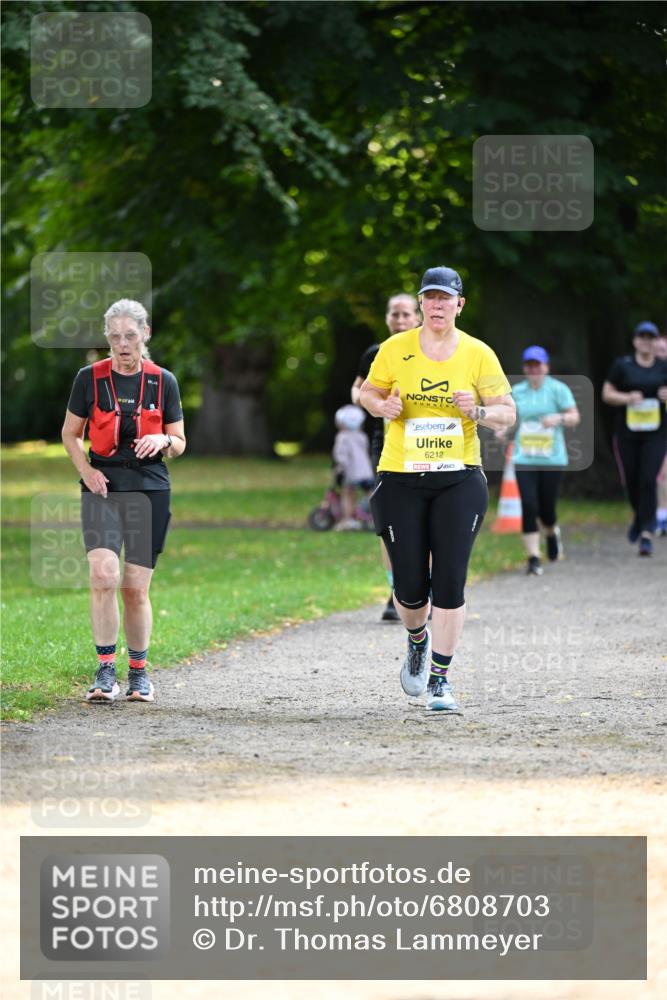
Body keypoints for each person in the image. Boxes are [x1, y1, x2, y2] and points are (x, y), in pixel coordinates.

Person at [359, 266, 515, 712]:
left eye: (446, 298)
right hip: (401, 478)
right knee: (409, 587)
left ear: (459, 305)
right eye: (430, 298)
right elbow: (368, 392)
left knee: (450, 579)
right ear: (422, 304)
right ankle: (416, 638)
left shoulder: (478, 353)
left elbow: (508, 412)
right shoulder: (394, 348)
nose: (438, 305)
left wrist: (479, 412)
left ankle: (441, 679)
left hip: (459, 477)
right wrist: (381, 404)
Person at [61, 299, 185, 703]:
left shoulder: (162, 380)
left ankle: (138, 673)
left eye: (130, 335)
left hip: (150, 489)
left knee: (134, 589)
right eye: (114, 336)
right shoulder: (89, 378)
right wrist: (87, 472)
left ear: (145, 334)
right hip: (102, 488)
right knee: (102, 575)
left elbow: (181, 442)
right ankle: (104, 670)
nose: (122, 344)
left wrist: (164, 439)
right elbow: (69, 434)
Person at [351, 294, 421, 620]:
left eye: (406, 314)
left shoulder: (433, 352)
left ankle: (428, 588)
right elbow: (358, 389)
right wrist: (375, 402)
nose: (400, 319)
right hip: (386, 446)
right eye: (395, 313)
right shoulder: (375, 353)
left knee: (428, 520)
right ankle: (396, 591)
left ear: (417, 318)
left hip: (430, 446)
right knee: (390, 520)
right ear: (387, 318)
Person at [500, 346, 580, 576]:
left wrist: (560, 417)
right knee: (529, 505)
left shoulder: (558, 389)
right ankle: (533, 558)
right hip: (524, 457)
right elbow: (511, 419)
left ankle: (551, 533)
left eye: (538, 365)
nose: (534, 369)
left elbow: (575, 417)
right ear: (525, 368)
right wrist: (504, 430)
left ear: (546, 367)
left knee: (547, 510)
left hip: (552, 459)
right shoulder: (517, 391)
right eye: (530, 365)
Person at [602, 320, 667, 557]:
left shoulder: (663, 366)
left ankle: (647, 532)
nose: (646, 341)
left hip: (656, 433)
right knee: (631, 480)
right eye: (642, 337)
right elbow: (607, 394)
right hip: (627, 433)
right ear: (635, 341)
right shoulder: (623, 365)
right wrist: (628, 397)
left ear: (655, 341)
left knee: (649, 480)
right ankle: (640, 518)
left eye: (651, 337)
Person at [332, 405, 375, 530]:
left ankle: (348, 520)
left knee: (347, 494)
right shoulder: (362, 436)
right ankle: (375, 516)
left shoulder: (342, 437)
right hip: (366, 473)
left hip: (351, 473)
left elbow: (340, 456)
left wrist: (339, 468)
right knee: (370, 494)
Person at [653, 335, 667, 536]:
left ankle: (662, 517)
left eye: (663, 351)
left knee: (663, 475)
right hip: (651, 434)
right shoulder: (642, 375)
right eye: (656, 351)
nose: (658, 355)